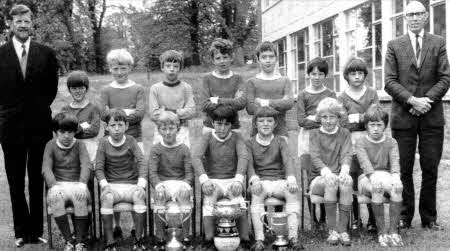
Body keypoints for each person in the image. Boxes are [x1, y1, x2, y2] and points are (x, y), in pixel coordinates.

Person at [384, 0, 450, 230]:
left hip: (432, 118)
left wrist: (425, 102)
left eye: (418, 14)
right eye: (409, 14)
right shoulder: (394, 45)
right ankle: (404, 215)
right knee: (403, 169)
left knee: (431, 168)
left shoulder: (438, 43)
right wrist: (412, 101)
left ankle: (429, 218)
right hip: (403, 116)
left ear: (425, 17)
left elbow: (445, 78)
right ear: (405, 18)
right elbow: (389, 81)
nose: (414, 18)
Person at [0, 4, 58, 247]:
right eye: (18, 21)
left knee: (37, 179)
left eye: (26, 21)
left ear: (32, 23)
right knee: (15, 181)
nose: (23, 25)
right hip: (10, 128)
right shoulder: (1, 54)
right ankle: (21, 232)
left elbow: (51, 89)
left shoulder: (45, 53)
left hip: (39, 127)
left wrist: (35, 110)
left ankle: (36, 230)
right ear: (10, 24)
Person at [99, 48, 145, 237]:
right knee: (112, 175)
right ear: (110, 68)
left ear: (130, 68)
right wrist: (127, 112)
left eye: (123, 68)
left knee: (133, 178)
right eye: (115, 68)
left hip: (135, 138)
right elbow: (103, 114)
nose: (119, 72)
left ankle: (136, 226)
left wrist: (116, 112)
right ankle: (116, 225)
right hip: (110, 139)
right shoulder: (106, 90)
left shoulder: (138, 89)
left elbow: (140, 114)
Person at [192, 105, 251, 251]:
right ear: (213, 123)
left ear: (231, 125)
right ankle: (209, 239)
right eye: (219, 124)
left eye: (227, 124)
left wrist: (238, 179)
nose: (223, 128)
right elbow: (196, 157)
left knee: (239, 201)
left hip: (232, 180)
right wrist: (204, 179)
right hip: (214, 181)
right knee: (209, 198)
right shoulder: (207, 136)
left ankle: (244, 239)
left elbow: (243, 156)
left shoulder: (237, 137)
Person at [247, 106, 303, 251]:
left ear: (275, 124)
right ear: (255, 124)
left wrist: (291, 179)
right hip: (261, 182)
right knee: (256, 193)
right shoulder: (250, 143)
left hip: (278, 181)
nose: (265, 124)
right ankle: (259, 239)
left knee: (291, 192)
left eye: (269, 121)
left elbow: (287, 161)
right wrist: (254, 180)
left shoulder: (280, 141)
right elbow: (249, 165)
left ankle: (292, 237)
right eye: (261, 121)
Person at [95, 109, 147, 251]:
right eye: (113, 125)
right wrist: (104, 185)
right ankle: (110, 242)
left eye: (120, 125)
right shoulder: (103, 143)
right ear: (107, 127)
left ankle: (138, 240)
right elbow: (98, 168)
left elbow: (142, 161)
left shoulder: (131, 141)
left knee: (139, 196)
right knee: (106, 198)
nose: (117, 129)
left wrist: (141, 184)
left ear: (126, 126)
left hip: (131, 185)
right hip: (112, 186)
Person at [338, 57, 378, 232]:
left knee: (369, 177)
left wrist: (357, 118)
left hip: (369, 142)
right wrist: (362, 117)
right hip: (349, 142)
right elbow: (343, 122)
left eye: (360, 73)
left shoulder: (372, 93)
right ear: (347, 76)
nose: (356, 77)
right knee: (352, 179)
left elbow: (374, 118)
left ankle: (372, 219)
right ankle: (355, 219)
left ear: (365, 75)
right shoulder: (342, 96)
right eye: (352, 73)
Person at [296, 57, 336, 228]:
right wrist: (320, 121)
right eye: (313, 74)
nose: (317, 77)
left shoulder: (331, 94)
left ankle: (326, 218)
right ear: (308, 75)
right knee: (310, 177)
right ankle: (314, 218)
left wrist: (317, 120)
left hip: (327, 139)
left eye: (320, 74)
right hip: (307, 140)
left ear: (325, 76)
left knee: (326, 173)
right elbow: (301, 121)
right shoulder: (303, 94)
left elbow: (335, 118)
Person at [42, 113, 92, 251]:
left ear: (75, 131)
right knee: (54, 198)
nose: (66, 136)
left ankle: (80, 241)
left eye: (70, 132)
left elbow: (86, 164)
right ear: (55, 132)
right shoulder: (50, 145)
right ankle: (69, 240)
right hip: (59, 185)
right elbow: (46, 167)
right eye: (62, 132)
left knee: (79, 197)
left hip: (77, 184)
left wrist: (82, 184)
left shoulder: (80, 144)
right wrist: (53, 185)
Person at [355, 104, 404, 247]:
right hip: (366, 178)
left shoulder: (391, 142)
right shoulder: (361, 142)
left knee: (397, 188)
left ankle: (393, 232)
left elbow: (395, 162)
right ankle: (382, 233)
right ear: (366, 126)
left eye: (379, 125)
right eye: (372, 125)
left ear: (385, 126)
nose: (375, 128)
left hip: (386, 176)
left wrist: (396, 178)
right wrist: (374, 178)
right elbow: (365, 165)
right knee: (377, 187)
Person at [309, 98, 352, 246]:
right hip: (319, 179)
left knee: (347, 182)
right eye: (324, 117)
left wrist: (345, 171)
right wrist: (328, 173)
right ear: (319, 118)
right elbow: (315, 157)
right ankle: (332, 230)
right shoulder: (314, 134)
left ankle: (343, 230)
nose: (328, 121)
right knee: (331, 182)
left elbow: (347, 154)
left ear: (338, 118)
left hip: (339, 175)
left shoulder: (344, 133)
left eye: (332, 117)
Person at [149, 111, 194, 250]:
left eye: (171, 128)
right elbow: (152, 172)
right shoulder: (156, 149)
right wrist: (158, 185)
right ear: (159, 130)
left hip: (180, 183)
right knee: (159, 195)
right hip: (164, 184)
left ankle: (185, 237)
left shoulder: (184, 149)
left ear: (178, 129)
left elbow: (189, 173)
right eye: (164, 129)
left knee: (185, 194)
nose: (168, 132)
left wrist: (186, 185)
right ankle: (160, 237)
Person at [246, 41, 295, 137]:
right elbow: (250, 109)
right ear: (258, 59)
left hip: (280, 133)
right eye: (264, 57)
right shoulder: (251, 82)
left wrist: (265, 103)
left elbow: (289, 103)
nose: (268, 60)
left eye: (271, 56)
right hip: (257, 135)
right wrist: (280, 103)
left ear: (276, 59)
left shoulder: (285, 81)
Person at [199, 38, 246, 134]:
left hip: (233, 126)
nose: (222, 61)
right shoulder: (207, 79)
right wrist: (232, 101)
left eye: (225, 57)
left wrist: (215, 100)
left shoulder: (238, 78)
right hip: (210, 126)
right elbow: (204, 105)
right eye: (218, 58)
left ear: (231, 58)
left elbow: (241, 103)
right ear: (213, 60)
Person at [149, 50, 196, 147]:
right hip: (161, 129)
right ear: (162, 67)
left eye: (175, 66)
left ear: (180, 68)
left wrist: (166, 111)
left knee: (182, 156)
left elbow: (191, 111)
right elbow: (154, 114)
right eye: (168, 66)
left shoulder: (186, 88)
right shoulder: (155, 88)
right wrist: (180, 112)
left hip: (182, 128)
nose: (172, 69)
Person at [61, 71, 101, 162]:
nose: (78, 91)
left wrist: (74, 128)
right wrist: (84, 126)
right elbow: (64, 131)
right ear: (69, 89)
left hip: (90, 149)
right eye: (74, 88)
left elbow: (94, 131)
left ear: (86, 89)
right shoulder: (65, 110)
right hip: (71, 148)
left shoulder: (93, 108)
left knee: (89, 173)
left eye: (81, 88)